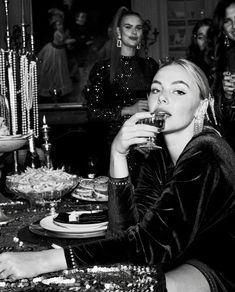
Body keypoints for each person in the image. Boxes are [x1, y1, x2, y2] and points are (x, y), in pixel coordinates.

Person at [0, 59, 235, 292]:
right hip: (179, 258)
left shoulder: (208, 151)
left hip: (219, 265)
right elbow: (125, 232)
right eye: (156, 89)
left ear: (202, 107)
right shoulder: (158, 158)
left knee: (128, 285)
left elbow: (150, 245)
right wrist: (118, 153)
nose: (162, 97)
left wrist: (44, 260)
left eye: (179, 90)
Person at [83, 6, 158, 176]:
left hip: (146, 142)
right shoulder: (103, 68)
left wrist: (150, 137)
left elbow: (158, 106)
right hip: (115, 142)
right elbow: (93, 113)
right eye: (128, 27)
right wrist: (129, 110)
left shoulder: (150, 65)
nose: (134, 32)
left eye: (138, 28)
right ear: (118, 32)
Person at [211, 0, 235, 151]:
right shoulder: (227, 58)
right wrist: (228, 96)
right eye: (228, 21)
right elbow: (225, 118)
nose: (234, 27)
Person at [37, 8, 74, 100]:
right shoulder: (57, 33)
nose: (60, 26)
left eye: (61, 25)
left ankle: (59, 91)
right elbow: (63, 41)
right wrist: (71, 40)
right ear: (55, 26)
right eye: (58, 25)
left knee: (61, 71)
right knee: (52, 70)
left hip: (60, 52)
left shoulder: (62, 32)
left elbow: (66, 39)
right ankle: (51, 91)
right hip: (54, 52)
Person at [186, 18, 214, 86]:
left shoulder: (227, 60)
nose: (205, 41)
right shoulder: (190, 66)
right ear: (195, 40)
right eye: (201, 37)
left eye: (209, 36)